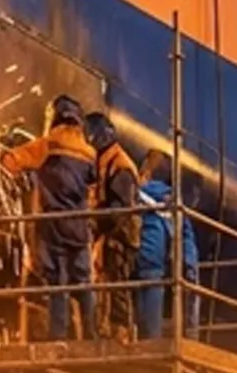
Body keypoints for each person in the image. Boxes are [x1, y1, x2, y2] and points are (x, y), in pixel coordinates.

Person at [0, 94, 99, 341]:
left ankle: (59, 336)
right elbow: (93, 186)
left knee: (57, 282)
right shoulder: (89, 152)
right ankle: (91, 332)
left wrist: (3, 149)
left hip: (53, 224)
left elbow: (11, 164)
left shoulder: (47, 145)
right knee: (83, 281)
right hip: (79, 225)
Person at [82, 111, 142, 339]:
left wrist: (96, 224)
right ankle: (106, 328)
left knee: (117, 281)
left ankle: (122, 331)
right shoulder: (103, 160)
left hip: (121, 234)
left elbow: (121, 209)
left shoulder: (120, 165)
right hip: (109, 230)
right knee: (105, 280)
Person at [133, 149, 200, 340]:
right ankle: (190, 337)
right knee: (163, 294)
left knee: (145, 298)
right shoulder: (174, 201)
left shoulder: (140, 193)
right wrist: (188, 260)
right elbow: (186, 231)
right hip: (167, 256)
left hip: (147, 251)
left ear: (147, 171)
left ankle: (148, 337)